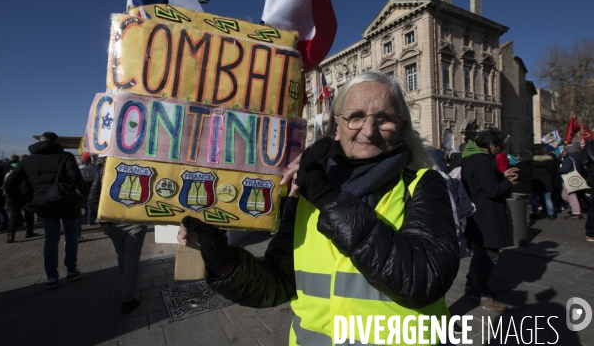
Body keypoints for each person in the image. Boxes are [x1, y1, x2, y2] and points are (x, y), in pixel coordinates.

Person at [178, 71, 460, 344]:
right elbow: (278, 284)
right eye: (356, 116)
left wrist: (326, 199)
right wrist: (224, 262)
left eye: (384, 118)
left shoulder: (423, 184)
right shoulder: (306, 193)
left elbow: (424, 279)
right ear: (336, 127)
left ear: (401, 128)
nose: (369, 129)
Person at [4, 132, 87, 289]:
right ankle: (71, 270)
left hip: (43, 204)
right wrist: (82, 197)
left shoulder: (28, 160)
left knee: (50, 239)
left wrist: (23, 201)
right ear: (56, 142)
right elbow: (77, 179)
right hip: (67, 203)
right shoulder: (66, 157)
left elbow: (9, 184)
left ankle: (51, 277)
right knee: (71, 236)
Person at [461, 128, 518, 311]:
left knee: (481, 253)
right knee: (489, 256)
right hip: (487, 215)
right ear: (491, 145)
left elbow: (483, 183)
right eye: (499, 146)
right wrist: (509, 183)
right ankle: (480, 293)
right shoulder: (482, 161)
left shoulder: (472, 158)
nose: (500, 150)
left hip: (478, 213)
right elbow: (492, 190)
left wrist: (502, 176)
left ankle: (472, 285)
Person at [88, 156, 147, 314]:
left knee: (122, 256)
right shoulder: (142, 164)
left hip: (112, 222)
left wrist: (103, 220)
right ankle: (127, 297)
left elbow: (92, 197)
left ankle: (126, 287)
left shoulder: (105, 168)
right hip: (135, 219)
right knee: (131, 259)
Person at [5, 155, 40, 242]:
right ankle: (29, 231)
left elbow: (6, 185)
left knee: (14, 216)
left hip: (12, 196)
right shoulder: (26, 172)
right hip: (25, 196)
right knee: (29, 214)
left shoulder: (10, 170)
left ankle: (11, 235)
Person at [558, 144, 586, 220]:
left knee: (570, 196)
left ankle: (576, 213)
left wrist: (558, 170)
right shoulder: (579, 156)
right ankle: (578, 210)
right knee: (568, 195)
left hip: (568, 179)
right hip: (575, 178)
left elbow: (565, 169)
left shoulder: (568, 158)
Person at [531, 149, 556, 220]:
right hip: (546, 181)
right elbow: (552, 172)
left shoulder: (531, 162)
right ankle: (551, 214)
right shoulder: (549, 162)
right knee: (548, 199)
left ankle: (535, 213)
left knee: (534, 199)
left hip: (535, 181)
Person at [79, 152, 98, 225]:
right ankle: (90, 219)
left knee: (85, 202)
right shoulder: (93, 168)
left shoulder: (79, 169)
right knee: (90, 203)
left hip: (83, 186)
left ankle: (86, 215)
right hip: (92, 186)